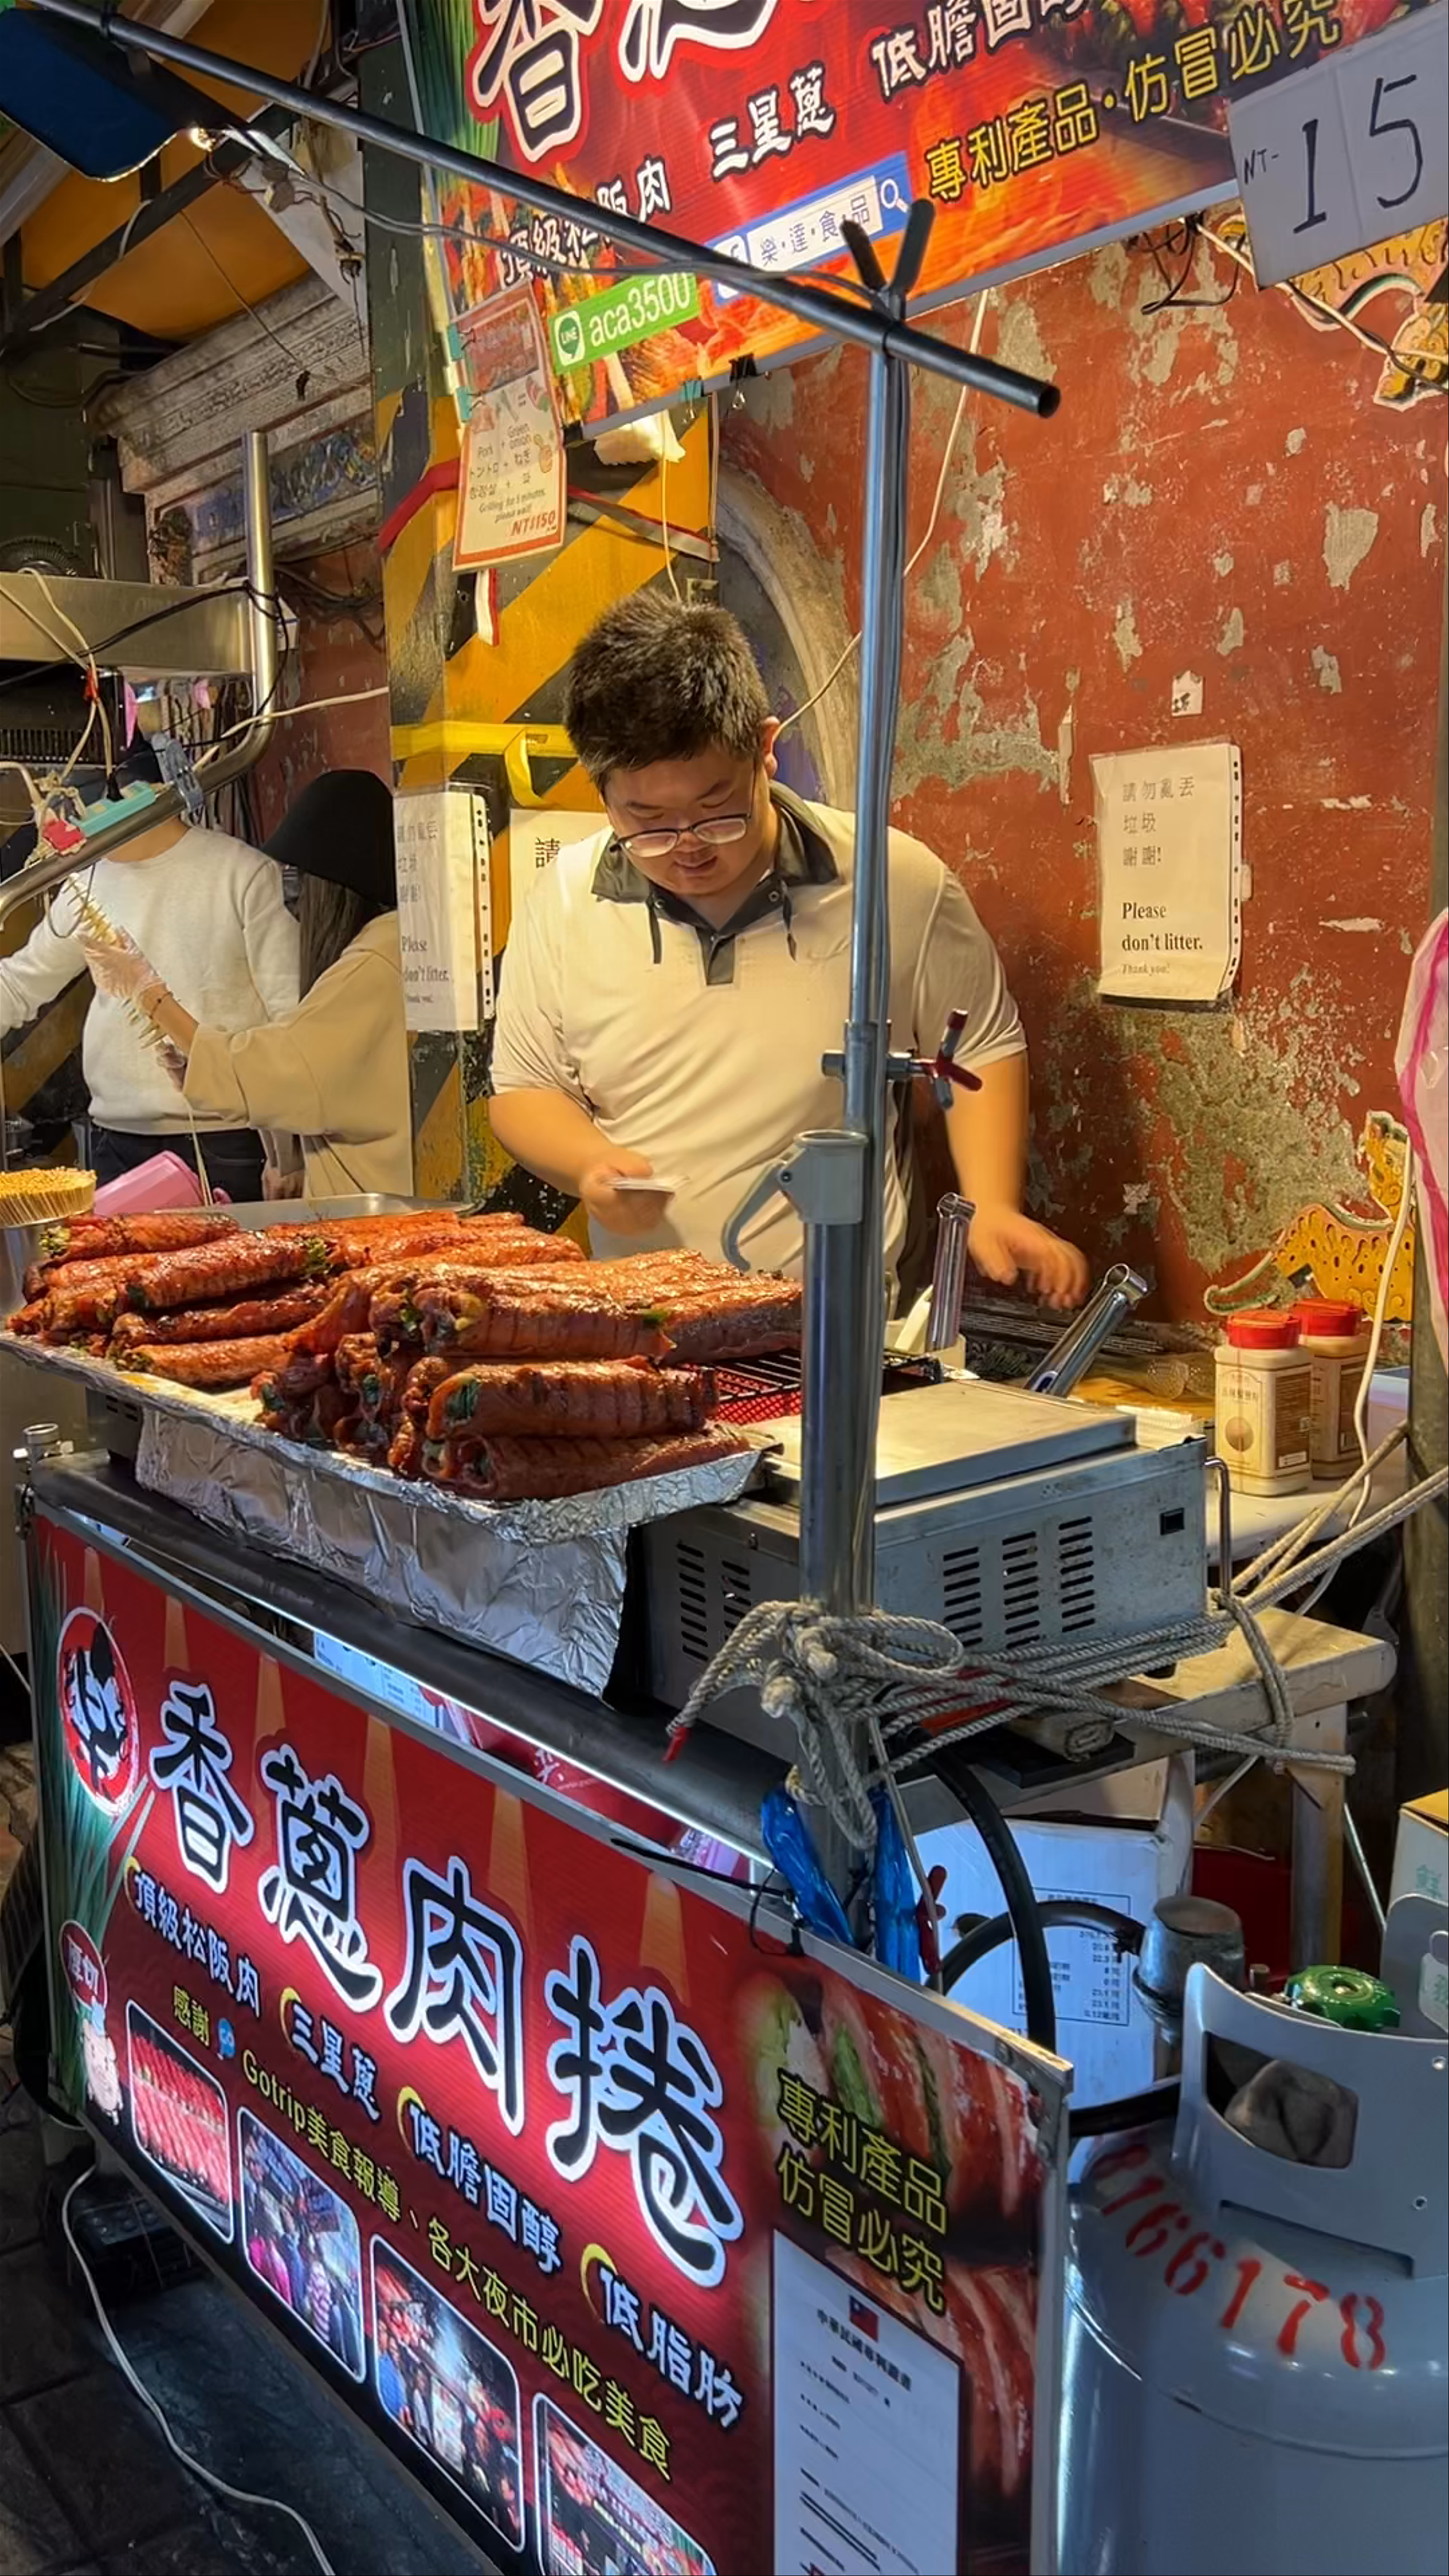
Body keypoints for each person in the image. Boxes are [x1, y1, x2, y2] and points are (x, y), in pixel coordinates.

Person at [489, 595, 1088, 1306]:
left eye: (716, 810)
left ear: (765, 747)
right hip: (644, 1326)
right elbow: (524, 1089)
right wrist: (588, 1163)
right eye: (646, 821)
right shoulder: (564, 898)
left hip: (843, 1322)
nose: (686, 848)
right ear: (603, 790)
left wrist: (991, 1200)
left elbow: (979, 1042)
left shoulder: (889, 881)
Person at [80, 769, 410, 1201]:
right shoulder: (389, 946)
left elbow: (282, 1065)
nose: (294, 903)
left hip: (374, 1212)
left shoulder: (374, 962)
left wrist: (150, 993)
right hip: (130, 1134)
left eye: (298, 885)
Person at [0, 741, 298, 1200]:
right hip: (117, 1140)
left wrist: (288, 1151)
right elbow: (22, 983)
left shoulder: (243, 873)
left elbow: (288, 1018)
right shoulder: (87, 879)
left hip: (226, 1139)